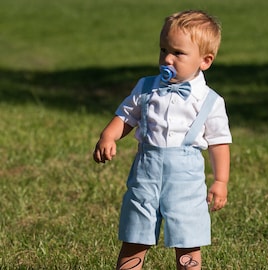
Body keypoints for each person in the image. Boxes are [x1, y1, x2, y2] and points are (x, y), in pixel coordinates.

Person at [93, 10, 232, 270]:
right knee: (135, 232)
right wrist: (109, 135)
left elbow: (219, 142)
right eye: (163, 49)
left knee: (187, 236)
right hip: (146, 171)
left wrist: (220, 181)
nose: (167, 58)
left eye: (178, 53)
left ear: (205, 60)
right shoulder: (146, 87)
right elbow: (127, 115)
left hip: (186, 179)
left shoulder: (210, 101)